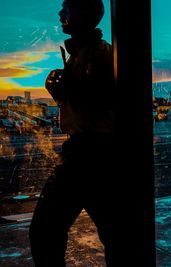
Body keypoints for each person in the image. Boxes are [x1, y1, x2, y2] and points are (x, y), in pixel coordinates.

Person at [29, 0, 124, 265]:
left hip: (88, 154)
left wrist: (66, 91)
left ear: (84, 13)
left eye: (67, 7)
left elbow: (106, 103)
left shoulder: (100, 55)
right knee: (114, 234)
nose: (61, 13)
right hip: (94, 154)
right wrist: (62, 96)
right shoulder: (84, 53)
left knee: (44, 230)